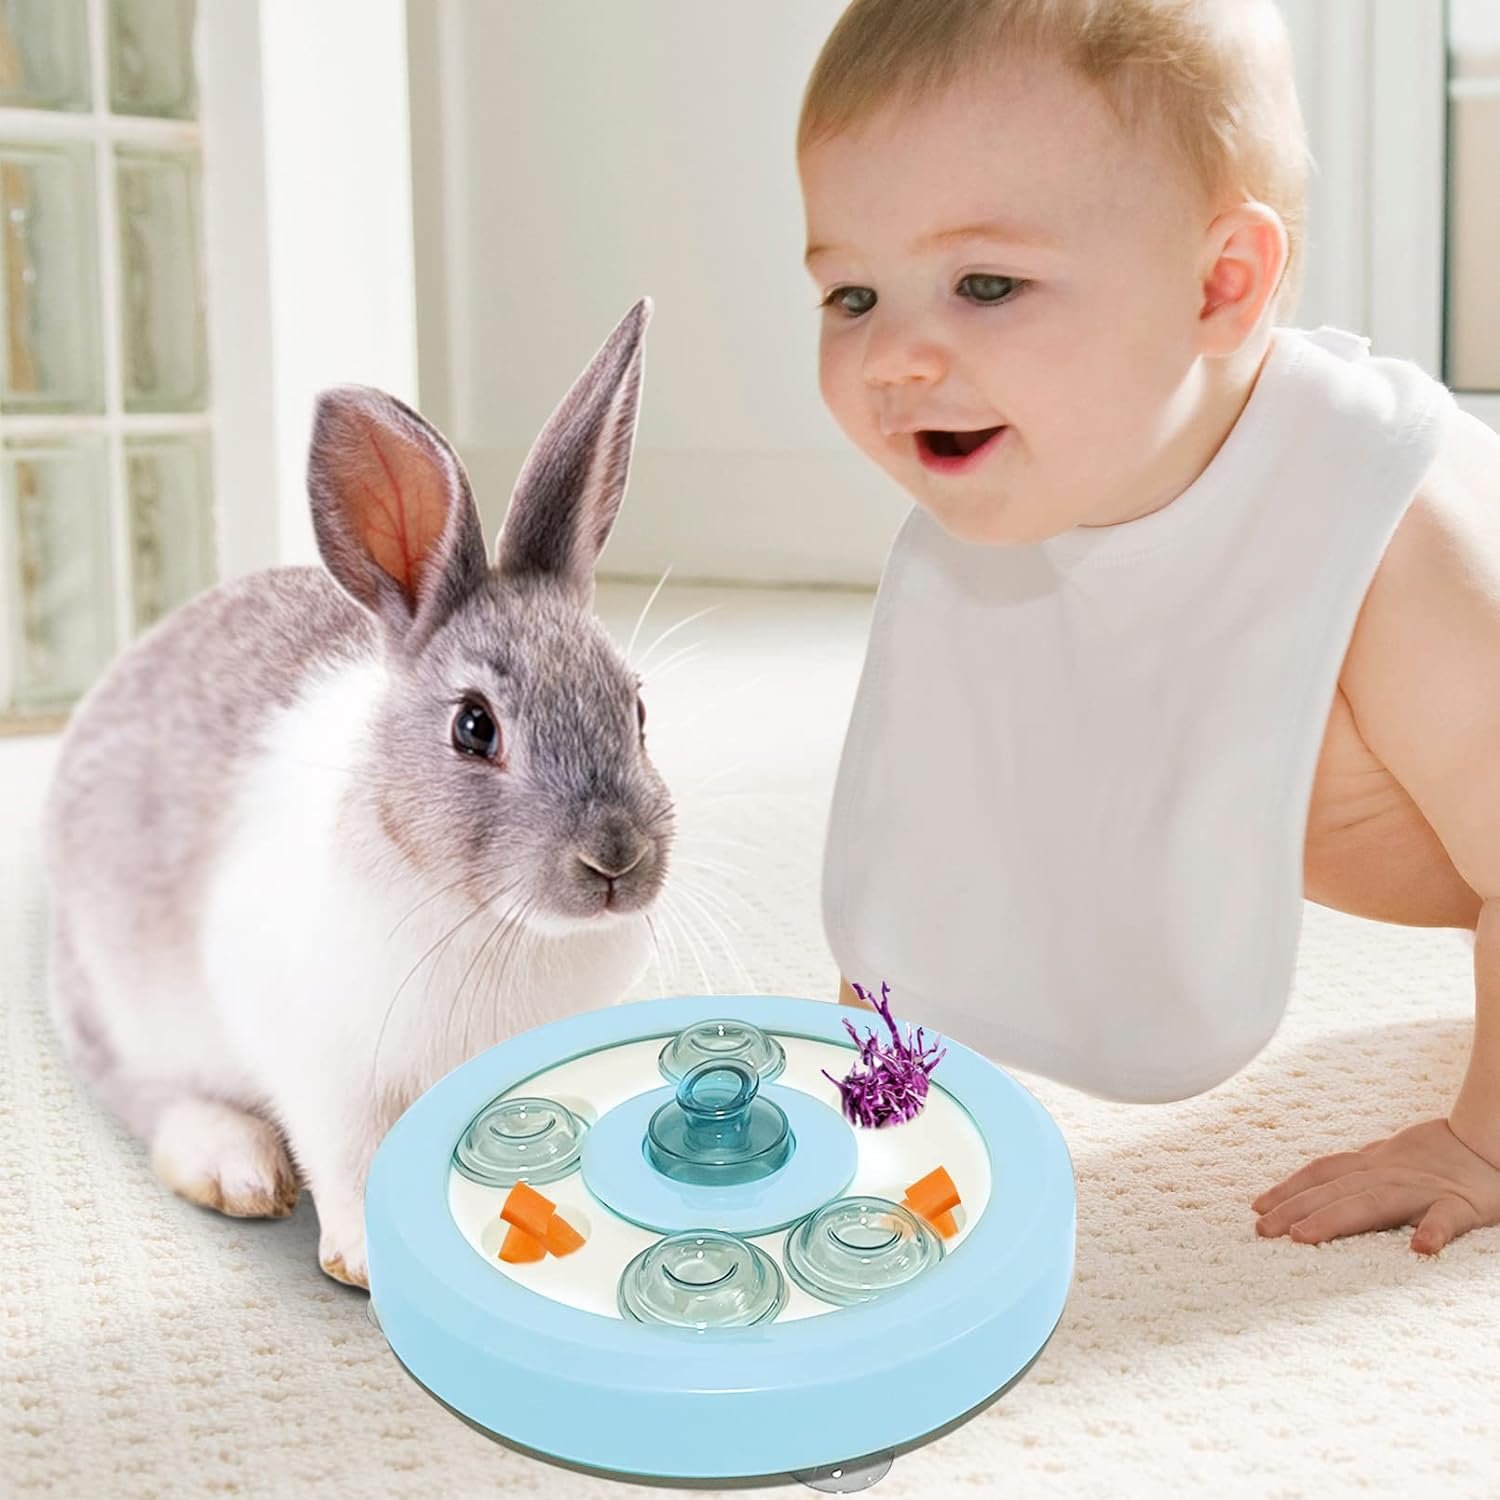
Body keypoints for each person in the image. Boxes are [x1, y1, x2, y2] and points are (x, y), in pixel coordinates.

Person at [799, 0, 1500, 1254]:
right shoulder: (1003, 517)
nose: (894, 356)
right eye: (853, 294)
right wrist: (889, 1096)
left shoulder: (1388, 532)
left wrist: (1485, 1140)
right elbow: (930, 832)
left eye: (985, 284)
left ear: (1221, 285)